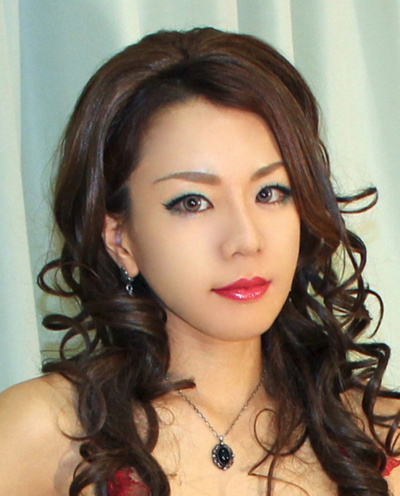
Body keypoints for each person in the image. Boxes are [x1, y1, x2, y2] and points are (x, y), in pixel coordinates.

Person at [0, 27, 399, 496]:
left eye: (270, 193)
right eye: (193, 202)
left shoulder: (378, 435)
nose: (246, 240)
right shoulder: (38, 433)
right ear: (120, 238)